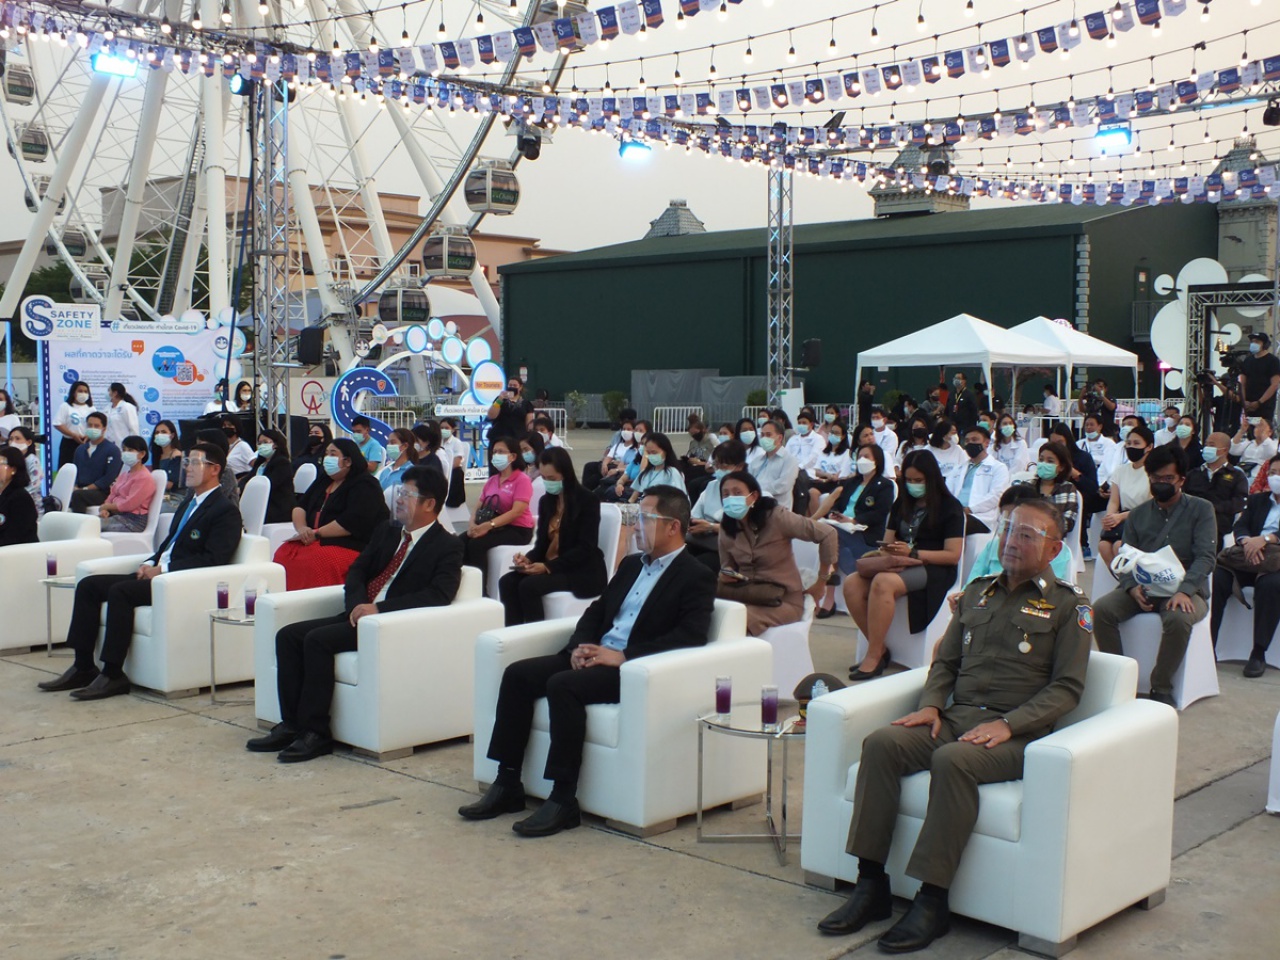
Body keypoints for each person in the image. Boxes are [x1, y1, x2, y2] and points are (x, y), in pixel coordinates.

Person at [817, 500, 1089, 952]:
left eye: (1027, 535)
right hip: (957, 717)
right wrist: (930, 705)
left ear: (1054, 549)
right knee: (882, 743)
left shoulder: (1068, 606)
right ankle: (870, 883)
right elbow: (945, 663)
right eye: (1008, 530)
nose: (1011, 541)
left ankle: (932, 899)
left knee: (954, 760)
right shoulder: (978, 592)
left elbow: (1067, 688)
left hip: (1017, 734)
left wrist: (1009, 724)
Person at [459, 487, 714, 837]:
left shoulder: (696, 574)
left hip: (632, 669)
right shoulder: (631, 565)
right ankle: (507, 782)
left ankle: (563, 798)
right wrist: (580, 645)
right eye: (636, 517)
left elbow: (690, 635)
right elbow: (597, 610)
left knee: (563, 686)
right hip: (595, 653)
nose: (636, 526)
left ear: (673, 526)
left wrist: (622, 656)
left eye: (644, 518)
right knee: (518, 674)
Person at [248, 467, 464, 762]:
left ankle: (316, 733)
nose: (399, 499)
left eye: (407, 494)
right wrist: (357, 604)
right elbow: (358, 570)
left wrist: (378, 609)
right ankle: (291, 724)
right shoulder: (388, 531)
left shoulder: (447, 545)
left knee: (317, 640)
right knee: (288, 635)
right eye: (399, 492)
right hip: (359, 612)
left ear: (429, 503)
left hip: (389, 623)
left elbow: (438, 595)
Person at [38, 443, 243, 699]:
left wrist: (162, 570)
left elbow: (213, 559)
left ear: (214, 469)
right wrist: (150, 561)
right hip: (160, 573)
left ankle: (113, 673)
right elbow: (170, 544)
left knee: (121, 592)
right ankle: (83, 665)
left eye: (194, 462)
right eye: (187, 462)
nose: (188, 468)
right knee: (89, 585)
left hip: (179, 582)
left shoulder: (225, 511)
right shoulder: (188, 504)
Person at [1093, 445, 1218, 706]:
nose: (1161, 483)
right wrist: (1131, 588)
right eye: (1155, 478)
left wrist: (1185, 591)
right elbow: (1125, 558)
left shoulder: (1201, 509)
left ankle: (1160, 686)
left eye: (1168, 478)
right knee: (1102, 610)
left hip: (1186, 588)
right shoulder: (1138, 514)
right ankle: (1119, 677)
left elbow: (1206, 557)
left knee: (1178, 618)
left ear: (1181, 479)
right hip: (1144, 586)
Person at [843, 450, 964, 681]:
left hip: (933, 567)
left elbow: (952, 555)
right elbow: (887, 541)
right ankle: (879, 647)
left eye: (919, 480)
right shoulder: (902, 504)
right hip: (899, 562)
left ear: (931, 479)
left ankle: (873, 655)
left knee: (883, 582)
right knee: (852, 583)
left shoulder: (950, 507)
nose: (913, 485)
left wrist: (914, 553)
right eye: (908, 480)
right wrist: (890, 552)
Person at [716, 470, 835, 635]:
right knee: (707, 615)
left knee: (734, 622)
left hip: (783, 601)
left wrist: (821, 582)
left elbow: (828, 534)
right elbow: (727, 565)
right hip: (745, 595)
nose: (731, 498)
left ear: (753, 496)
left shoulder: (776, 517)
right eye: (726, 494)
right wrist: (726, 574)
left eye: (737, 493)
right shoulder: (727, 526)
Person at [499, 448, 606, 627]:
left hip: (579, 569)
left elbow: (586, 547)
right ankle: (514, 631)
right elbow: (541, 544)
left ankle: (536, 633)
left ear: (565, 475)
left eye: (552, 478)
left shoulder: (587, 500)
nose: (548, 483)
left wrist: (548, 567)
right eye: (544, 478)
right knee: (507, 581)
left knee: (529, 586)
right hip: (552, 564)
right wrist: (528, 559)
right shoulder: (546, 501)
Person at [275, 438, 388, 590]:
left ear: (348, 461)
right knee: (284, 552)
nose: (327, 458)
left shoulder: (366, 485)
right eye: (326, 454)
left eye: (333, 454)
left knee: (317, 561)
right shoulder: (324, 480)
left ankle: (315, 602)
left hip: (353, 544)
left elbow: (352, 523)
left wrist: (316, 533)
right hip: (315, 539)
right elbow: (300, 507)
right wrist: (302, 529)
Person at [1210, 455, 1280, 678]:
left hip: (1275, 563)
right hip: (1248, 557)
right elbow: (1241, 526)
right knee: (1218, 577)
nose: (1275, 477)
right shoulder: (1258, 500)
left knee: (1271, 585)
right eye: (1272, 473)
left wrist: (1266, 539)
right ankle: (1208, 646)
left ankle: (1258, 652)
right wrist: (1247, 541)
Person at [815, 443, 896, 618]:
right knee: (829, 533)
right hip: (840, 528)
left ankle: (829, 594)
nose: (862, 460)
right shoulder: (852, 482)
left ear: (877, 460)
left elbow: (880, 513)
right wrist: (834, 514)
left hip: (863, 533)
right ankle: (830, 588)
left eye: (867, 457)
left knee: (830, 535)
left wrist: (854, 520)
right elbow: (838, 505)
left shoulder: (884, 485)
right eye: (859, 456)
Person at [960, 486, 1072, 584]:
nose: (1010, 543)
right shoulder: (993, 546)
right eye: (1007, 526)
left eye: (1025, 535)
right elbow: (972, 584)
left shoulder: (1054, 550)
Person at [466, 436, 534, 592]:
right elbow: (478, 505)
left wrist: (488, 526)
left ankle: (480, 591)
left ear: (513, 456)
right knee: (461, 542)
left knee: (476, 545)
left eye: (501, 452)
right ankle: (464, 583)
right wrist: (472, 524)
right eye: (494, 452)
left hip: (517, 529)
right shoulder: (493, 480)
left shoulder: (521, 480)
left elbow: (517, 511)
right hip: (495, 526)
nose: (496, 455)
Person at [1097, 424, 1155, 573]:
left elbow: (1150, 505)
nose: (1131, 447)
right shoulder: (1121, 471)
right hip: (1122, 519)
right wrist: (1110, 517)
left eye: (1136, 443)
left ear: (1149, 447)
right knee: (1103, 546)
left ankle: (1130, 581)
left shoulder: (1154, 473)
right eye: (1128, 443)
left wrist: (1120, 517)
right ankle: (1121, 579)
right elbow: (1114, 501)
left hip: (1144, 519)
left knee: (1119, 546)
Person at [1183, 431, 1248, 550]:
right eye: (1206, 444)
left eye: (1212, 445)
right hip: (1190, 523)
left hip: (1219, 526)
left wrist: (1214, 507)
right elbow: (1183, 496)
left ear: (1224, 450)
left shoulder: (1236, 476)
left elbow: (1239, 502)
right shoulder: (1193, 474)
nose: (1207, 448)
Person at [942, 425, 1010, 535]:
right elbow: (947, 492)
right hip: (956, 513)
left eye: (975, 440)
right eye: (967, 441)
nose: (970, 443)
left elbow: (996, 495)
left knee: (954, 524)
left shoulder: (998, 468)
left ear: (986, 443)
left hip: (981, 517)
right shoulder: (958, 468)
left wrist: (970, 509)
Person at [688, 439, 747, 561]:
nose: (718, 470)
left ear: (740, 466)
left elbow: (745, 530)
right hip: (705, 541)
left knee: (703, 562)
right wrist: (697, 525)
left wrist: (711, 527)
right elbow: (695, 515)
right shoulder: (712, 486)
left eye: (724, 466)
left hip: (731, 547)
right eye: (716, 465)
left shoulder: (750, 491)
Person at [1014, 441, 1080, 536]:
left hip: (1052, 538)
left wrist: (1043, 528)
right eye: (1041, 460)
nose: (1044, 464)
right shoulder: (1027, 486)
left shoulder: (1068, 489)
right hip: (1025, 536)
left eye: (1050, 461)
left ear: (1061, 467)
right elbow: (1017, 515)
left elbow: (1068, 522)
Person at [96, 436, 158, 533]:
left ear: (142, 454)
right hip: (117, 515)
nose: (125, 453)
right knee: (88, 523)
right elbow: (113, 494)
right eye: (124, 450)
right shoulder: (125, 474)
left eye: (130, 450)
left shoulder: (144, 477)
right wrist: (105, 509)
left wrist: (107, 507)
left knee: (92, 526)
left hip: (133, 521)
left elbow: (129, 504)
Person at [69, 412, 121, 514]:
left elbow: (108, 478)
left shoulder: (112, 450)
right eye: (90, 425)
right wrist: (74, 486)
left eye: (96, 426)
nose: (92, 428)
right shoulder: (80, 449)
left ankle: (79, 522)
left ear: (104, 429)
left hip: (102, 492)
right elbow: (75, 472)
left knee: (78, 495)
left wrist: (85, 489)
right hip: (80, 489)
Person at [242, 428, 295, 524]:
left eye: (265, 442)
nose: (261, 446)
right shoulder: (260, 464)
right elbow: (248, 479)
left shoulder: (282, 463)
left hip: (276, 507)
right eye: (259, 443)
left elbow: (271, 484)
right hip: (260, 503)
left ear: (275, 444)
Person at [749, 420, 799, 505]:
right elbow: (748, 482)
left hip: (778, 507)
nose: (764, 438)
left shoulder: (789, 460)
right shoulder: (756, 461)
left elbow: (783, 485)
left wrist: (757, 490)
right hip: (756, 506)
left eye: (768, 435)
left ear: (780, 438)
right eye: (762, 435)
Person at [626, 432, 686, 502]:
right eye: (648, 453)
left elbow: (677, 500)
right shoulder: (646, 472)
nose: (651, 456)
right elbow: (633, 498)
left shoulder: (672, 473)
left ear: (666, 451)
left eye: (654, 452)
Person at [0, 447, 39, 546]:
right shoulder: (3, 494)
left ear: (13, 469)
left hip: (19, 552)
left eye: (1, 464)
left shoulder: (21, 498)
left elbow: (13, 537)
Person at [1239, 331, 1280, 423]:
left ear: (1264, 344)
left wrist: (1259, 402)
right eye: (1252, 341)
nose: (1254, 344)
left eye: (1257, 341)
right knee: (1249, 429)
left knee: (1263, 428)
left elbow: (1274, 384)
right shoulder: (1248, 361)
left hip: (1265, 406)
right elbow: (1242, 383)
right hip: (1248, 405)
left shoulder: (1272, 361)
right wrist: (1244, 400)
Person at [486, 376, 535, 452]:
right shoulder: (500, 400)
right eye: (510, 385)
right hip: (499, 437)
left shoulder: (526, 404)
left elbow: (529, 423)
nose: (512, 387)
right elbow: (491, 415)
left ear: (520, 387)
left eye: (514, 385)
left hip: (518, 438)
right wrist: (500, 399)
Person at [54, 380, 96, 468]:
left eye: (86, 391)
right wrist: (73, 435)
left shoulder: (91, 409)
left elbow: (95, 425)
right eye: (80, 391)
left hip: (86, 442)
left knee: (85, 468)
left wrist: (88, 435)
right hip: (69, 443)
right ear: (73, 392)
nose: (83, 393)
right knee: (67, 468)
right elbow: (58, 423)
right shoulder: (65, 406)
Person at [6, 426, 44, 516]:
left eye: (17, 439)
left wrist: (12, 497)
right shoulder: (10, 461)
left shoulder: (32, 461)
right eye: (11, 439)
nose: (13, 442)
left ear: (29, 442)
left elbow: (34, 486)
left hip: (30, 508)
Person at [148, 419, 185, 507]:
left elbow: (170, 485)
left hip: (175, 497)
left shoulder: (176, 455)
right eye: (157, 432)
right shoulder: (157, 456)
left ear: (172, 435)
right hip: (161, 496)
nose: (159, 435)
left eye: (163, 432)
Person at [1231, 417, 1277, 485]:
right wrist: (1242, 431)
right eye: (1256, 427)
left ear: (1270, 432)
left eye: (1261, 427)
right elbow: (1232, 450)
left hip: (1259, 477)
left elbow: (1272, 453)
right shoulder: (1248, 443)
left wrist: (1263, 435)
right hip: (1242, 474)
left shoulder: (1274, 444)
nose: (1258, 429)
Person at [786, 410, 825, 475]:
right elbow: (786, 454)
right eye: (799, 423)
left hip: (808, 472)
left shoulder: (818, 439)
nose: (801, 425)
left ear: (811, 424)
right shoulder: (793, 439)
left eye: (804, 423)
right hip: (790, 471)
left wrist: (799, 467)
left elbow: (814, 457)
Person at [103, 382, 141, 448]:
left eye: (109, 390)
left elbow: (133, 429)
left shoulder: (127, 407)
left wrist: (132, 447)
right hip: (108, 446)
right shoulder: (107, 408)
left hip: (123, 446)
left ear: (115, 393)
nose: (107, 393)